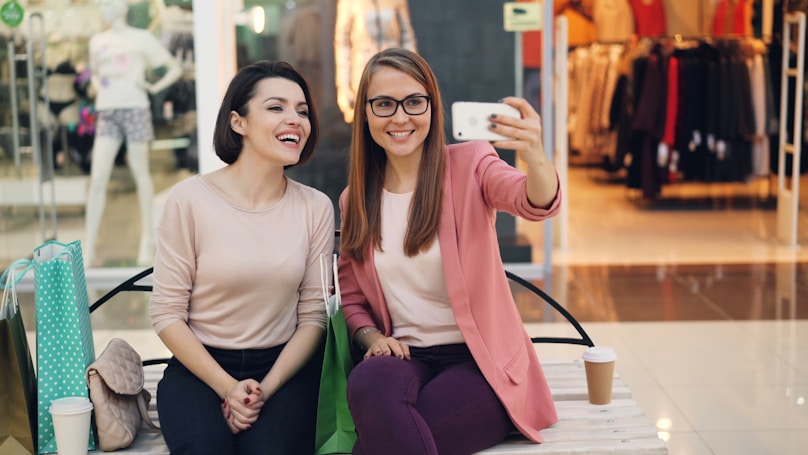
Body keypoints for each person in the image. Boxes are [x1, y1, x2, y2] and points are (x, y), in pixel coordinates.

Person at [337, 47, 562, 454]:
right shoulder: (355, 199)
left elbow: (531, 200)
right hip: (406, 356)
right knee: (367, 383)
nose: (400, 117)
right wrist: (370, 337)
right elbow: (351, 295)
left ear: (431, 105)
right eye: (384, 104)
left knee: (379, 442)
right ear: (366, 113)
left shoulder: (471, 163)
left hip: (480, 364)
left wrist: (536, 159)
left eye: (414, 102)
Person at [149, 60, 334, 454]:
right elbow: (166, 313)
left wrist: (263, 389)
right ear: (238, 122)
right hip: (200, 369)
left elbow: (314, 315)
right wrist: (228, 389)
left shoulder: (315, 207)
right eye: (276, 107)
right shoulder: (189, 200)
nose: (295, 120)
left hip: (285, 371)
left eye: (302, 111)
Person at [84, 0, 182, 267]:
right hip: (107, 111)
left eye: (107, 3)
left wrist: (153, 87)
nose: (103, 7)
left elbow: (175, 68)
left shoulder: (141, 39)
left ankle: (146, 241)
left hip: (135, 108)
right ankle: (88, 244)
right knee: (98, 175)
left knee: (140, 172)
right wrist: (98, 85)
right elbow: (94, 73)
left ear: (121, 7)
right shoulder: (97, 41)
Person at [334, 0, 417, 124]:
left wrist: (414, 73)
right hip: (363, 71)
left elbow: (407, 35)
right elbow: (342, 43)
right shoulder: (349, 2)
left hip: (395, 69)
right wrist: (343, 86)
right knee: (366, 121)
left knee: (395, 116)